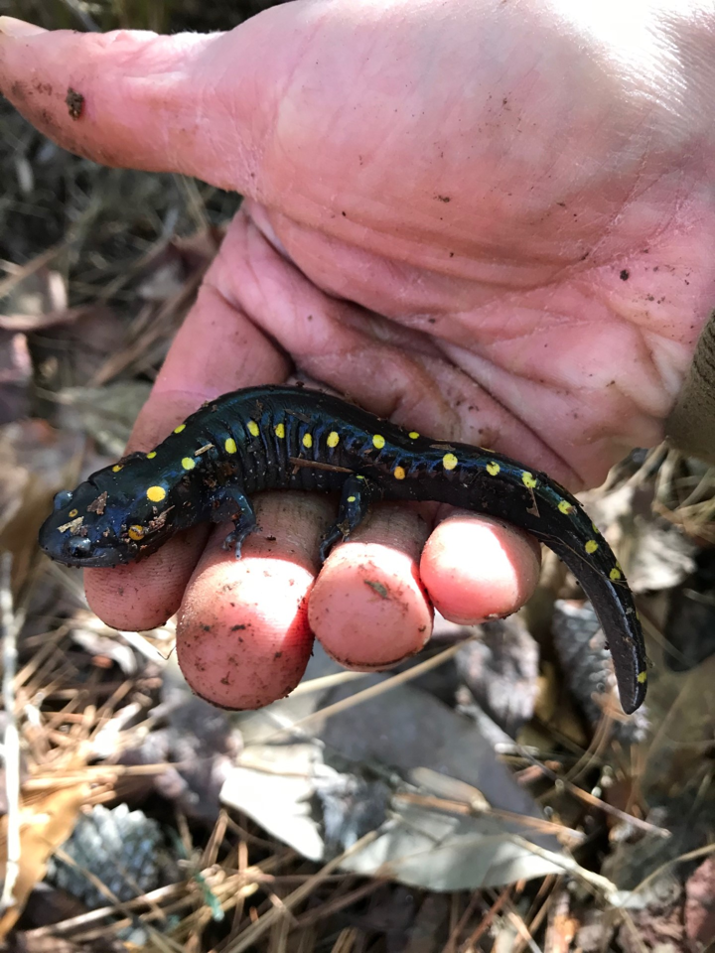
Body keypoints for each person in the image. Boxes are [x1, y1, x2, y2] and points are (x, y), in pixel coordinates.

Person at [1, 1, 713, 709]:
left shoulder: (193, 490)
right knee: (389, 488)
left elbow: (234, 500)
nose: (84, 543)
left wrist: (251, 525)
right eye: (90, 531)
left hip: (368, 461)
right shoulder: (184, 484)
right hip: (355, 449)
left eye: (94, 537)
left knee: (395, 480)